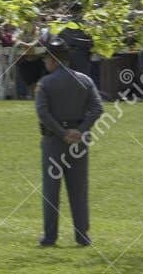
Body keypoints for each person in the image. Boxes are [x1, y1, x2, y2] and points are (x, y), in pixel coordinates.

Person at [34, 38, 104, 247]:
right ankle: (82, 235)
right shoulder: (85, 80)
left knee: (51, 190)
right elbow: (97, 108)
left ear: (53, 60)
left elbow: (43, 113)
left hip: (54, 140)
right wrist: (80, 131)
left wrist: (62, 132)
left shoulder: (45, 83)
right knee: (78, 190)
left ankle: (50, 236)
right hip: (79, 140)